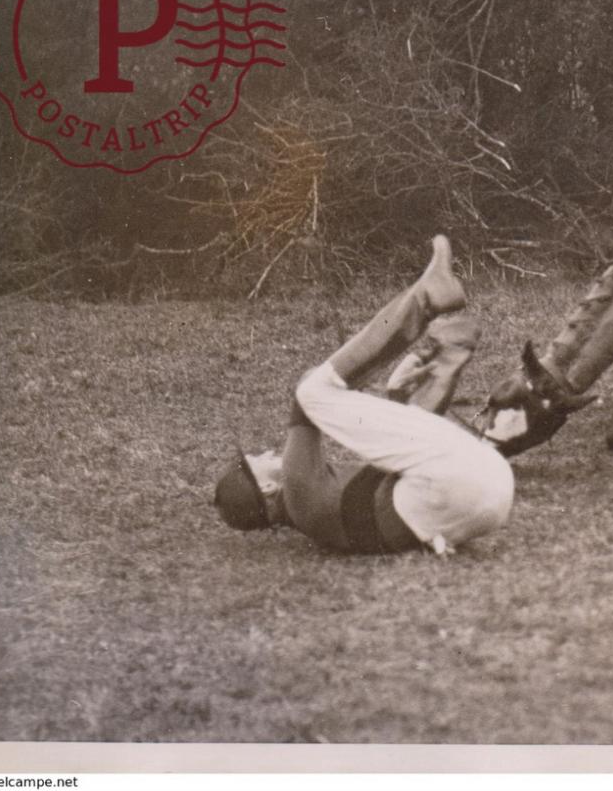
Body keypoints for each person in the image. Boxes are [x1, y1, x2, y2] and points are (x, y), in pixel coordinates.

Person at [214, 236, 514, 555]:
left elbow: (407, 464)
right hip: (470, 483)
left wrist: (397, 397)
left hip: (487, 499)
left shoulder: (325, 511)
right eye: (254, 461)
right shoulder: (299, 498)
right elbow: (304, 406)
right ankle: (424, 298)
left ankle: (446, 358)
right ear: (266, 487)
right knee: (309, 391)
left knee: (393, 442)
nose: (263, 453)